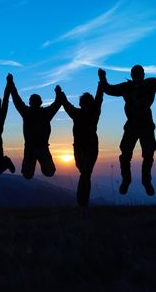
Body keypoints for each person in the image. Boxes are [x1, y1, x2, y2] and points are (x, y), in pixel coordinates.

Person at [99, 54, 156, 196]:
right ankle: (131, 181)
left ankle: (142, 181)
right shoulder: (131, 86)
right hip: (135, 126)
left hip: (144, 126)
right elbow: (108, 89)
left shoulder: (145, 84)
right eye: (136, 74)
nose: (137, 76)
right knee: (129, 155)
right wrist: (102, 78)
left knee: (142, 155)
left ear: (141, 74)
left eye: (138, 73)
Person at [57, 75, 103, 210]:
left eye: (88, 103)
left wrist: (101, 82)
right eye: (84, 104)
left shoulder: (94, 112)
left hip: (91, 148)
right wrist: (59, 93)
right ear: (81, 104)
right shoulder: (76, 113)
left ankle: (82, 203)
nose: (86, 106)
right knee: (83, 172)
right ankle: (83, 204)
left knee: (85, 173)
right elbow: (66, 105)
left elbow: (99, 98)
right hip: (78, 149)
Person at [9, 75, 62, 179]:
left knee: (29, 174)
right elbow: (57, 103)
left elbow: (16, 99)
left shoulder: (28, 112)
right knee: (47, 172)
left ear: (30, 102)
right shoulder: (45, 113)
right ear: (41, 102)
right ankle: (41, 167)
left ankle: (37, 167)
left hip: (34, 147)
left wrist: (11, 84)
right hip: (38, 147)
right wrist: (58, 92)